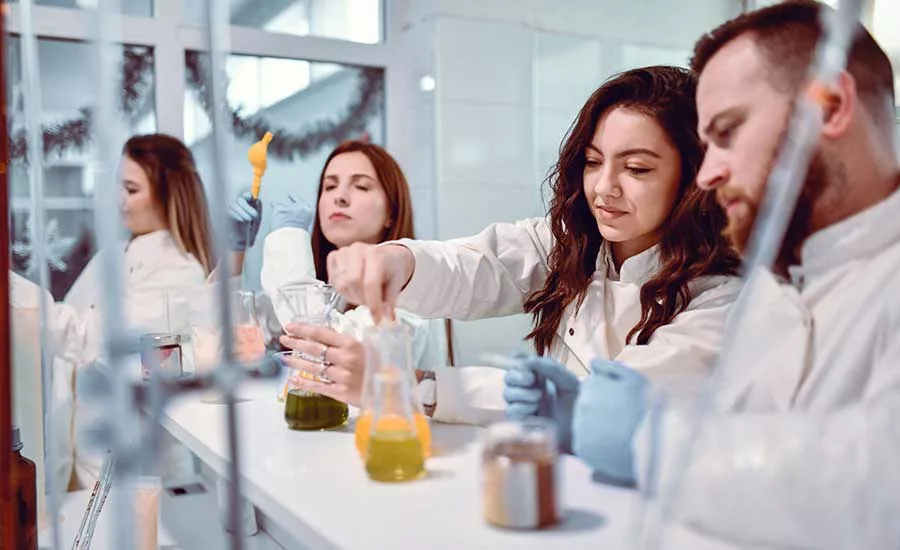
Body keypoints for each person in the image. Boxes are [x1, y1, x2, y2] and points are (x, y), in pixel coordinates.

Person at [518, 2, 900, 548]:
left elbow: (879, 481)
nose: (708, 172)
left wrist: (654, 442)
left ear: (831, 105)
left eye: (727, 132)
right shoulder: (776, 287)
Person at [314, 66, 743, 429]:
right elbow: (477, 267)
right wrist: (398, 260)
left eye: (636, 168)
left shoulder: (720, 298)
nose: (604, 188)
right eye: (593, 162)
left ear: (693, 178)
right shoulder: (572, 244)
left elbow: (607, 404)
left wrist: (418, 386)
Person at [11, 133, 215, 489]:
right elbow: (68, 324)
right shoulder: (114, 254)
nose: (120, 200)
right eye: (119, 186)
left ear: (169, 192)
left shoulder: (179, 270)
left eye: (132, 190)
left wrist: (9, 287)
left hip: (129, 469)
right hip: (79, 450)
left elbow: (91, 339)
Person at [227, 140, 449, 392]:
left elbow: (323, 347)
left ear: (391, 212)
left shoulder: (409, 291)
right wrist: (234, 249)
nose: (340, 197)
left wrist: (288, 236)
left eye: (361, 186)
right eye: (329, 186)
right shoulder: (333, 291)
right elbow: (228, 328)